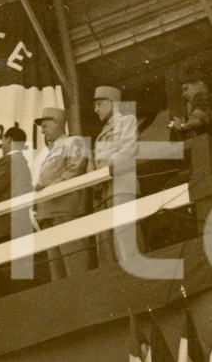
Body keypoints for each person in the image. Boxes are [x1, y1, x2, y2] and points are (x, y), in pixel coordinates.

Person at [33, 107, 91, 280]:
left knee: (75, 266)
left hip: (66, 210)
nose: (42, 131)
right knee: (57, 273)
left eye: (45, 126)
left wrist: (51, 187)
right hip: (48, 214)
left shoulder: (74, 141)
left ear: (57, 123)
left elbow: (75, 167)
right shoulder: (50, 152)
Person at [92, 86, 138, 266]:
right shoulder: (101, 132)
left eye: (99, 104)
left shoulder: (127, 121)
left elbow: (128, 149)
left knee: (125, 239)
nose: (96, 110)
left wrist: (107, 167)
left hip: (121, 185)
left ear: (113, 103)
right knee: (106, 246)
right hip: (104, 191)